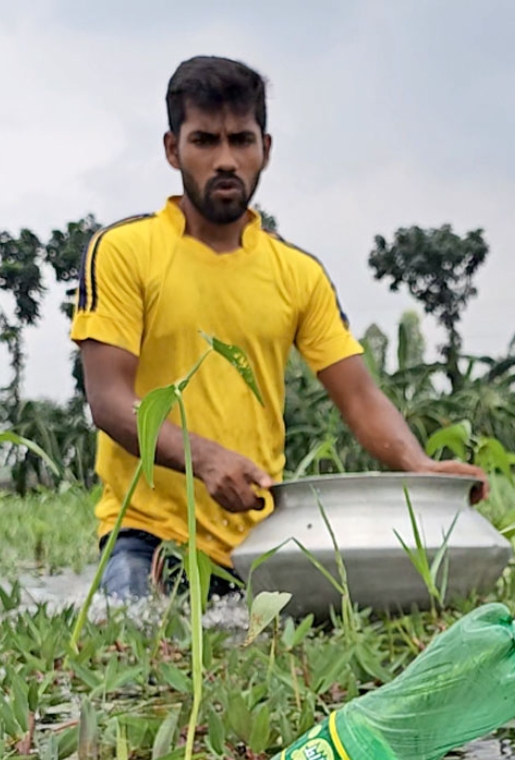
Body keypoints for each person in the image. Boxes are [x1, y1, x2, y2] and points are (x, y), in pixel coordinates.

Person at [71, 55, 488, 600]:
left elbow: (359, 397)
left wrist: (420, 466)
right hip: (150, 538)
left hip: (263, 539)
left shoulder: (298, 274)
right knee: (134, 644)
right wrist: (207, 460)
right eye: (204, 141)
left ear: (265, 148)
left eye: (241, 140)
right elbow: (107, 400)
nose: (225, 160)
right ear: (173, 149)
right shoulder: (125, 251)